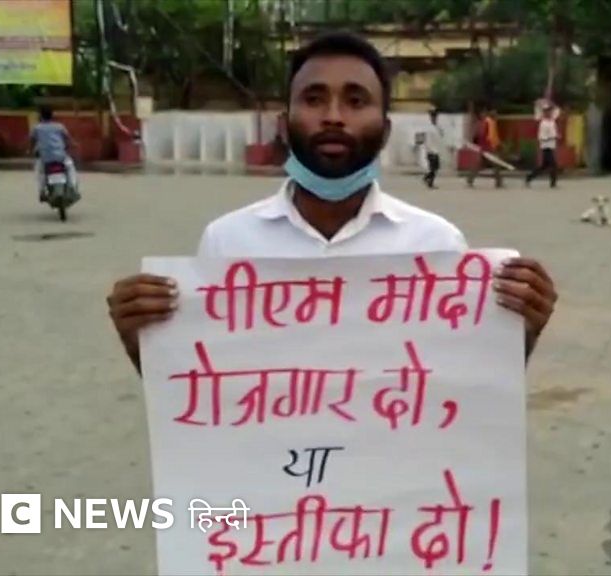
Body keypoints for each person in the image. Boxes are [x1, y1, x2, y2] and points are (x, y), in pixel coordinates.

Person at [106, 32, 557, 374]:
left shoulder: (437, 244)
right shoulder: (226, 242)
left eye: (356, 100)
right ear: (284, 124)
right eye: (314, 98)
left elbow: (463, 390)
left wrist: (521, 334)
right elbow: (204, 390)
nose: (334, 116)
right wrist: (142, 341)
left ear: (385, 129)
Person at [30, 104, 78, 201]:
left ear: (40, 116)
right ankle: (72, 187)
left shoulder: (37, 128)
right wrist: (74, 145)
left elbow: (32, 140)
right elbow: (68, 138)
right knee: (70, 167)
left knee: (40, 172)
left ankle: (42, 191)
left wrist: (30, 150)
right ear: (52, 115)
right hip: (60, 156)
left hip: (45, 158)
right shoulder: (59, 126)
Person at [525, 100, 560, 188]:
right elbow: (542, 137)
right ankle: (553, 183)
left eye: (550, 111)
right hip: (546, 146)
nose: (549, 112)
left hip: (551, 146)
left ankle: (529, 177)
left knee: (544, 166)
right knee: (553, 164)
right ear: (544, 112)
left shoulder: (552, 121)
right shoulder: (543, 123)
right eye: (547, 111)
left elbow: (557, 110)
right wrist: (554, 136)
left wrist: (551, 103)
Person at [466, 107, 504, 188]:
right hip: (488, 147)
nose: (496, 115)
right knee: (495, 163)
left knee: (480, 164)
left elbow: (492, 135)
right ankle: (498, 182)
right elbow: (489, 136)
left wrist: (498, 144)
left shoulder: (489, 122)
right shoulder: (488, 122)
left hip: (486, 147)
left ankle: (470, 179)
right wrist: (496, 145)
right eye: (495, 113)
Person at [420, 109, 446, 189]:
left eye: (435, 117)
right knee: (433, 168)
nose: (434, 118)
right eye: (433, 116)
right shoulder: (428, 127)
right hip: (431, 150)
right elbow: (426, 140)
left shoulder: (437, 126)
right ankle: (427, 179)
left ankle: (428, 180)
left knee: (435, 168)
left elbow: (441, 134)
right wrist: (428, 149)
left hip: (436, 150)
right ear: (431, 117)